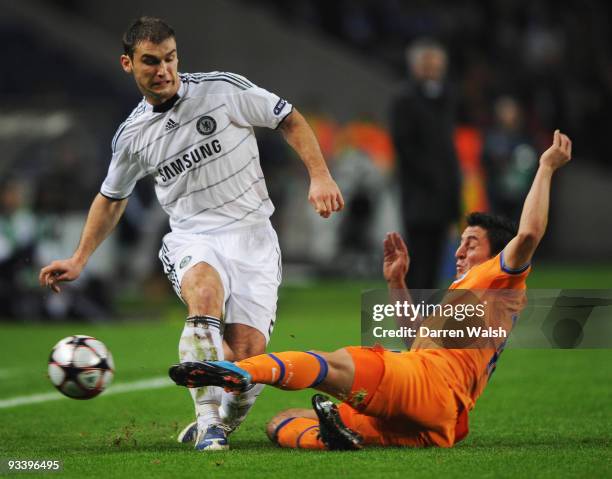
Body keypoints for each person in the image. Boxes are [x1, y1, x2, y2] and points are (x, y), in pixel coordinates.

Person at [38, 17, 344, 451]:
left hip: (254, 236)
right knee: (203, 293)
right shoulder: (132, 137)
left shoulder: (222, 90)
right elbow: (111, 197)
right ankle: (208, 425)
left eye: (170, 59)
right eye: (150, 61)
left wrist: (320, 176)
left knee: (246, 357)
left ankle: (223, 419)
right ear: (128, 64)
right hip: (194, 236)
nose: (163, 70)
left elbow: (289, 119)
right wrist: (79, 258)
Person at [169, 131, 572, 449]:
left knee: (329, 364)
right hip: (436, 420)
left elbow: (530, 232)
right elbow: (419, 339)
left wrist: (546, 167)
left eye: (472, 241)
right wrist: (397, 284)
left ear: (495, 253)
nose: (462, 248)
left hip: (426, 385)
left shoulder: (501, 278)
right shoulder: (468, 293)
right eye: (462, 240)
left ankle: (235, 372)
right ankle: (328, 438)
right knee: (283, 422)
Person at [389, 38, 461, 289]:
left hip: (443, 193)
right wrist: (431, 176)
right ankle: (411, 319)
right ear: (415, 66)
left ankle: (428, 319)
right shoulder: (405, 99)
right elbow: (404, 146)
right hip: (418, 192)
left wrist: (453, 188)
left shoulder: (447, 98)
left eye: (437, 65)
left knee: (437, 258)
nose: (433, 70)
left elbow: (448, 148)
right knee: (417, 256)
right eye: (428, 65)